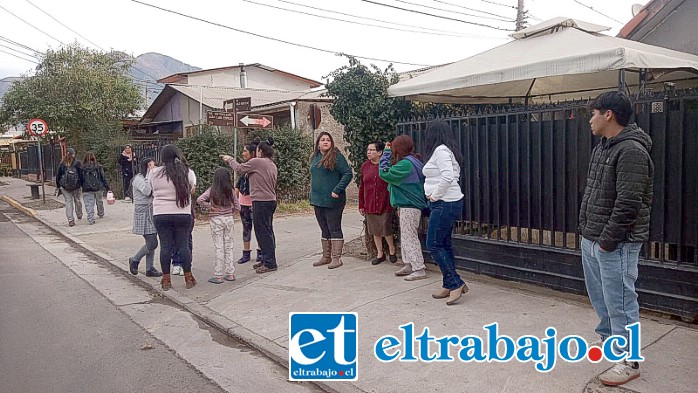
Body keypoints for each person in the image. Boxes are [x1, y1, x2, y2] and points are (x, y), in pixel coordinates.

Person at [579, 91, 654, 386]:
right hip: (593, 237)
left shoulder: (632, 150)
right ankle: (611, 341)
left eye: (593, 113)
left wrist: (607, 240)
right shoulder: (604, 147)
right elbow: (596, 191)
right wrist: (587, 230)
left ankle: (629, 360)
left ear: (608, 114)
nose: (590, 119)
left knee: (621, 301)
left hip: (615, 242)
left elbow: (628, 203)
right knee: (602, 299)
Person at [423, 121, 466, 305]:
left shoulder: (440, 151)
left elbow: (448, 176)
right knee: (444, 244)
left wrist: (435, 195)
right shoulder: (446, 150)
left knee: (433, 244)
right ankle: (449, 283)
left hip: (443, 202)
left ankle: (455, 282)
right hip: (447, 202)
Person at [221, 137, 278, 274]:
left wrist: (229, 159)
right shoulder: (271, 163)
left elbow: (240, 169)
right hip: (270, 200)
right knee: (268, 230)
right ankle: (266, 259)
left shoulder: (257, 162)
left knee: (262, 232)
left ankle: (270, 263)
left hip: (261, 201)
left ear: (260, 151)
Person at [379, 135, 429, 281]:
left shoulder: (406, 164)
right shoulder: (415, 161)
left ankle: (419, 268)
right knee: (406, 235)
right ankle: (409, 264)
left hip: (410, 205)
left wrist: (386, 153)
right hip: (409, 205)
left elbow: (384, 173)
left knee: (409, 236)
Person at [149, 144, 197, 290]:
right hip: (182, 213)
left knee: (165, 246)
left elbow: (151, 190)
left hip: (161, 214)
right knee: (183, 245)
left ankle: (166, 280)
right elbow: (192, 190)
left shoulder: (154, 173)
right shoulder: (187, 172)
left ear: (162, 157)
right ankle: (188, 277)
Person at [308, 132, 353, 269]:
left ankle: (336, 258)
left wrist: (337, 189)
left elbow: (347, 173)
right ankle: (326, 256)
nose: (325, 142)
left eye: (328, 140)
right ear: (318, 143)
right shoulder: (314, 157)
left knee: (334, 228)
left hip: (333, 201)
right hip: (318, 200)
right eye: (322, 140)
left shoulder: (336, 157)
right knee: (324, 228)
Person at [197, 167, 241, 284]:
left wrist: (210, 207)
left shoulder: (212, 190)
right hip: (228, 219)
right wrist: (232, 211)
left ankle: (218, 275)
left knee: (219, 246)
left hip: (216, 219)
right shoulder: (230, 191)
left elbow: (200, 199)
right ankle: (230, 273)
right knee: (229, 245)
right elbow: (238, 206)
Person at [359, 141, 397, 265]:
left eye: (372, 150)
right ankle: (380, 253)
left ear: (380, 152)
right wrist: (361, 204)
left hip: (384, 201)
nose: (369, 152)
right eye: (368, 150)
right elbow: (362, 186)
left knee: (386, 227)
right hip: (369, 202)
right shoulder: (365, 166)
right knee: (375, 229)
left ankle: (392, 250)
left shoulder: (386, 165)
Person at [128, 158, 162, 277]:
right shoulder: (139, 179)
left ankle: (149, 268)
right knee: (152, 242)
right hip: (142, 212)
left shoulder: (152, 178)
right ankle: (135, 259)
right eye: (150, 166)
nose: (153, 168)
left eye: (154, 165)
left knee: (150, 241)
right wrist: (149, 176)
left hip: (152, 211)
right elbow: (147, 191)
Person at [234, 141, 259, 264]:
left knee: (259, 228)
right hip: (243, 203)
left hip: (255, 202)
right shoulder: (244, 167)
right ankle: (246, 253)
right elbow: (239, 184)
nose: (243, 153)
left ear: (252, 153)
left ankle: (261, 252)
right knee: (246, 228)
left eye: (245, 151)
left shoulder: (257, 166)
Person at [55, 147, 83, 227]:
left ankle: (71, 220)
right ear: (73, 154)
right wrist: (81, 184)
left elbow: (58, 175)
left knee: (68, 202)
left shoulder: (62, 163)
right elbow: (81, 174)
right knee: (77, 200)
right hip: (76, 186)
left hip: (65, 187)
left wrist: (58, 186)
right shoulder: (77, 163)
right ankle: (79, 213)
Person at [81, 152, 110, 225]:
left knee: (89, 204)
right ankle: (101, 213)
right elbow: (103, 178)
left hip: (86, 188)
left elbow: (80, 179)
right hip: (98, 187)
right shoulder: (98, 167)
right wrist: (107, 187)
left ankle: (91, 218)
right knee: (99, 201)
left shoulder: (82, 168)